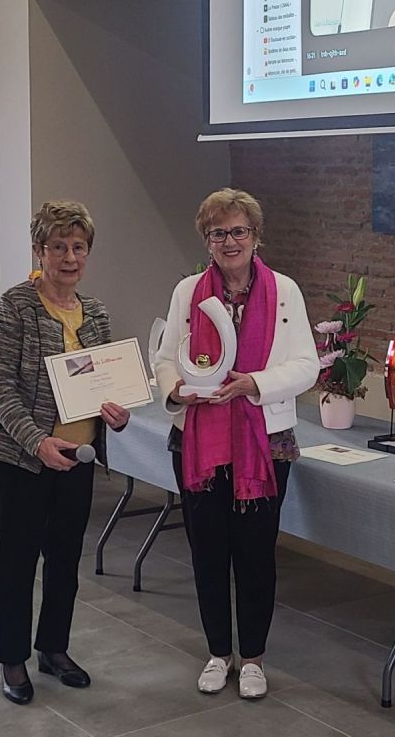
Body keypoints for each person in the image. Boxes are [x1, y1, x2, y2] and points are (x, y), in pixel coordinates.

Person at [155, 188, 319, 701]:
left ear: (256, 236)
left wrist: (255, 384)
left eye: (239, 231)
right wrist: (176, 390)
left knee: (255, 555)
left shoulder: (284, 291)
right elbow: (165, 357)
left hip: (264, 443)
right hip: (199, 442)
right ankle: (216, 654)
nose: (230, 241)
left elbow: (307, 365)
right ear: (207, 240)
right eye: (218, 233)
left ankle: (252, 659)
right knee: (206, 552)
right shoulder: (188, 292)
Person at [0, 201, 130, 705]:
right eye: (58, 246)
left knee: (64, 560)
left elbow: (105, 385)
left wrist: (117, 414)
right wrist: (36, 441)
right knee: (15, 563)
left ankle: (53, 648)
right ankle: (12, 658)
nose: (69, 257)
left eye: (78, 247)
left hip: (76, 460)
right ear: (40, 250)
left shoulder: (96, 313)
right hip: (21, 460)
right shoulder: (17, 305)